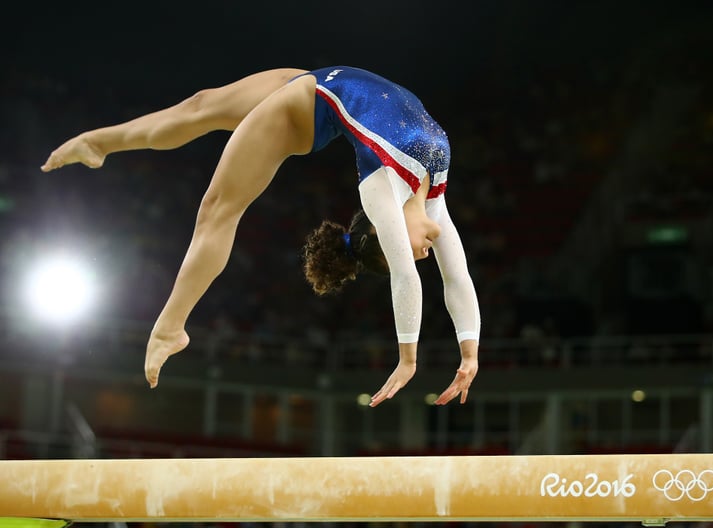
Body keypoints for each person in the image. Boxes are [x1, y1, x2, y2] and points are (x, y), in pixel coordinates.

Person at [41, 66, 481, 407]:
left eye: (404, 251)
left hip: (302, 109)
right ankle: (97, 143)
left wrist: (410, 359)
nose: (421, 253)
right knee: (200, 105)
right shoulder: (434, 192)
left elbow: (407, 276)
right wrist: (468, 354)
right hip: (320, 83)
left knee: (217, 211)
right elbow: (455, 278)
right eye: (413, 250)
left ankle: (169, 329)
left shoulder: (380, 189)